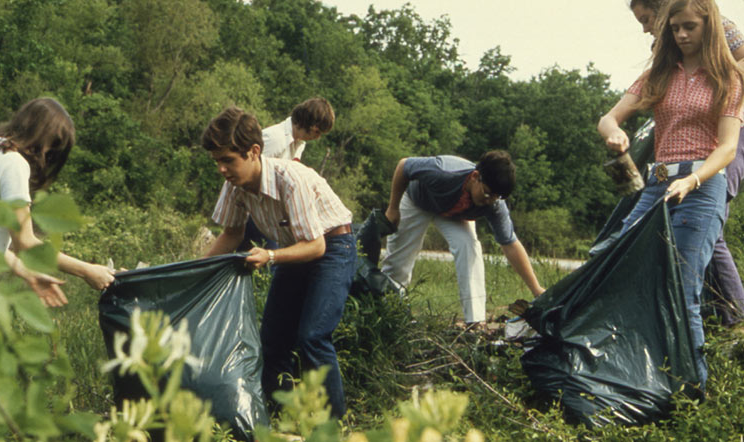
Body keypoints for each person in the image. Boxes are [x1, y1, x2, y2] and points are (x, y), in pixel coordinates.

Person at [598, 0, 744, 387]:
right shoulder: (660, 74)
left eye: (690, 27)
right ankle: (632, 373)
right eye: (675, 28)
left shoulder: (729, 78)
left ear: (708, 25)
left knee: (683, 287)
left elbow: (727, 148)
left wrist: (693, 180)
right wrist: (613, 131)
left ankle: (694, 390)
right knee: (616, 258)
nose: (681, 35)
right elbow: (609, 116)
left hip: (702, 185)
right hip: (658, 182)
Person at [201, 106, 356, 418]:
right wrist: (196, 270)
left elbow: (316, 246)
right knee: (272, 341)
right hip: (294, 248)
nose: (221, 169)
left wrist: (270, 256)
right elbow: (231, 234)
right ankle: (278, 417)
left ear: (254, 151)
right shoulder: (234, 185)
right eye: (217, 161)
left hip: (333, 246)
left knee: (313, 336)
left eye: (228, 160)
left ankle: (334, 426)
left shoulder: (290, 178)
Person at [630, 0, 744, 326]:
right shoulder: (671, 45)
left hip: (730, 133)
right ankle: (711, 311)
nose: (645, 27)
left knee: (709, 216)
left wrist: (716, 84)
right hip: (680, 153)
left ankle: (733, 316)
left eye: (647, 19)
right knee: (691, 230)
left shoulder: (720, 28)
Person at [0, 98, 115, 307]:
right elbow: (25, 243)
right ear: (43, 139)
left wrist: (26, 272)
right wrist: (87, 270)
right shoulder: (14, 163)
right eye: (52, 149)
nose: (47, 157)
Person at [381, 152, 545, 326]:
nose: (490, 201)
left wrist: (536, 289)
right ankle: (391, 314)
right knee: (398, 262)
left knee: (468, 247)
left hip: (453, 213)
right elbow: (404, 166)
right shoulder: (443, 171)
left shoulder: (494, 203)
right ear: (475, 177)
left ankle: (475, 323)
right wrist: (393, 208)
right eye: (488, 194)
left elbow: (510, 243)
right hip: (417, 201)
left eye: (497, 197)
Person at [237, 97, 335, 252]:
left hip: (275, 214)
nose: (317, 137)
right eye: (317, 131)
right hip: (257, 211)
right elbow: (248, 172)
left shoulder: (299, 143)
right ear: (307, 123)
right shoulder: (275, 138)